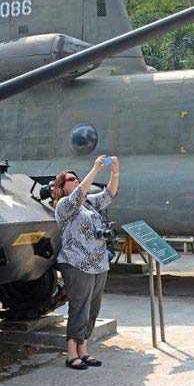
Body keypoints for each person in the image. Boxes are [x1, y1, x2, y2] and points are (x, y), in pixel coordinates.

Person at [52, 155, 119, 370]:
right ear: (62, 187)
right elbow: (79, 194)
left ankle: (84, 350)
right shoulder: (64, 205)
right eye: (71, 179)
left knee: (93, 308)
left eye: (76, 178)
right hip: (76, 263)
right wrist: (95, 170)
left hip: (98, 263)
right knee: (79, 307)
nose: (76, 181)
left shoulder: (89, 204)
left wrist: (115, 172)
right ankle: (71, 353)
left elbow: (109, 194)